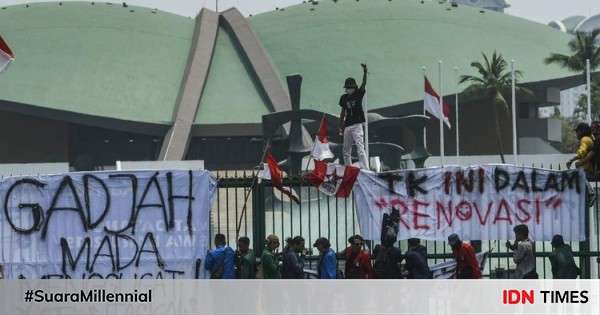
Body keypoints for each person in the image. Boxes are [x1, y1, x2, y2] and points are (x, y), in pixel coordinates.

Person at [338, 63, 369, 169]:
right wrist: (340, 125)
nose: (348, 89)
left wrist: (365, 72)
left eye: (350, 87)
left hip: (357, 124)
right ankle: (348, 169)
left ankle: (366, 168)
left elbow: (364, 84)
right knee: (346, 150)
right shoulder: (344, 98)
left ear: (354, 88)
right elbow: (343, 112)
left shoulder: (358, 94)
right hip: (347, 125)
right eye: (347, 88)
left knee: (360, 147)